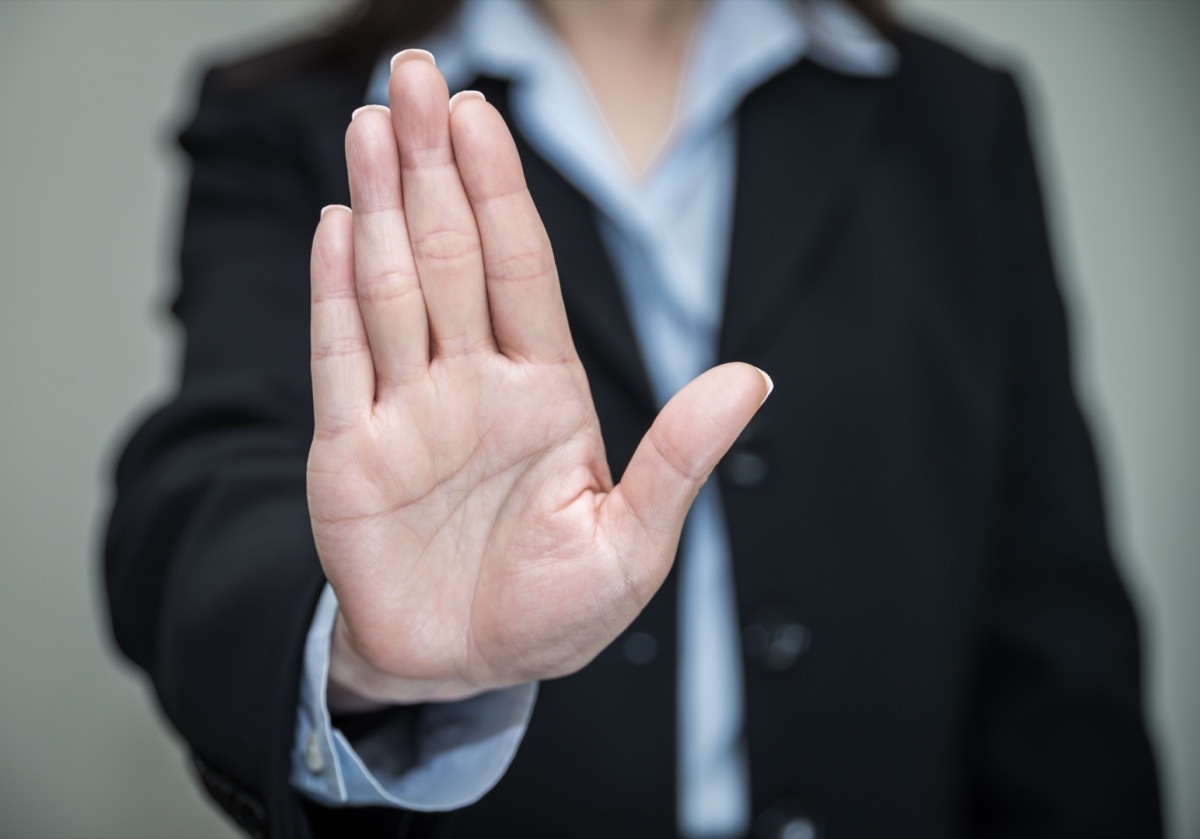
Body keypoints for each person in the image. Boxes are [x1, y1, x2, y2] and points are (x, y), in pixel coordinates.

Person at [103, 0, 1163, 837]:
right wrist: (365, 650)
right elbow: (202, 489)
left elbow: (1054, 621)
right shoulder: (293, 117)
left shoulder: (952, 115)